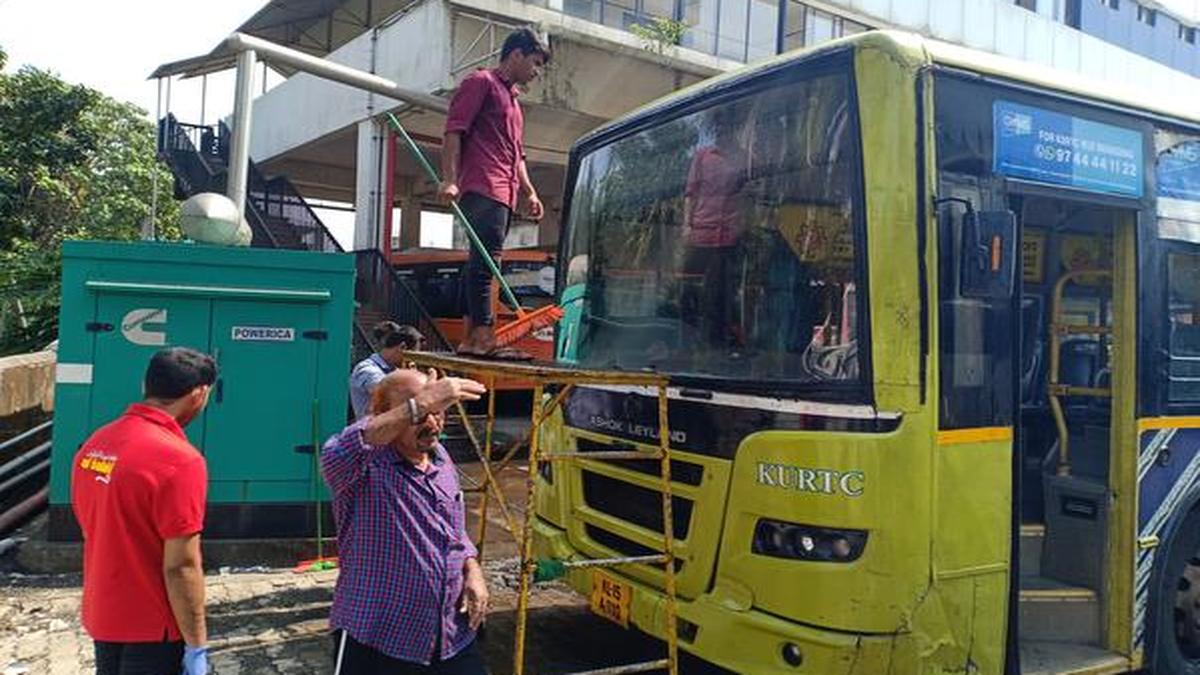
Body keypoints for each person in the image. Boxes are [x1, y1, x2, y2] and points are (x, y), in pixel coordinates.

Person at [322, 369, 490, 674]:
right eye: (420, 412)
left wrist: (472, 568)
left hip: (451, 637)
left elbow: (453, 531)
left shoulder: (441, 459)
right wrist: (420, 403)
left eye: (437, 411)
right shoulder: (363, 467)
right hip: (378, 640)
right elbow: (339, 450)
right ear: (386, 413)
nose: (431, 421)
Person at [71, 347, 216, 675]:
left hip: (104, 612)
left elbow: (88, 524)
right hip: (154, 625)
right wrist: (196, 645)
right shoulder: (180, 460)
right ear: (198, 394)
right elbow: (181, 566)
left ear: (145, 384)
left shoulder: (96, 443)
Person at [440, 27, 551, 359]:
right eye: (534, 62)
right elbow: (453, 130)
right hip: (483, 184)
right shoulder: (481, 82)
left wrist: (530, 192)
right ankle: (483, 337)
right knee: (487, 264)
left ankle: (472, 339)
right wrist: (449, 179)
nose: (536, 71)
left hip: (505, 189)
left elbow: (517, 155)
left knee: (482, 262)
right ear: (516, 54)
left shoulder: (515, 103)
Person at [681, 106, 749, 352]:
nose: (723, 131)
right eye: (719, 127)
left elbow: (747, 195)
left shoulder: (743, 158)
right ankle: (688, 341)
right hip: (701, 233)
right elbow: (690, 193)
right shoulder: (703, 156)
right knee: (689, 291)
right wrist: (686, 226)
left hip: (729, 236)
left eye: (728, 127)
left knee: (721, 294)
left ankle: (716, 344)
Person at [350, 321, 425, 418]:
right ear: (403, 347)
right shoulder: (367, 370)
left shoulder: (394, 370)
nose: (413, 361)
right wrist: (411, 377)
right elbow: (393, 397)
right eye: (412, 355)